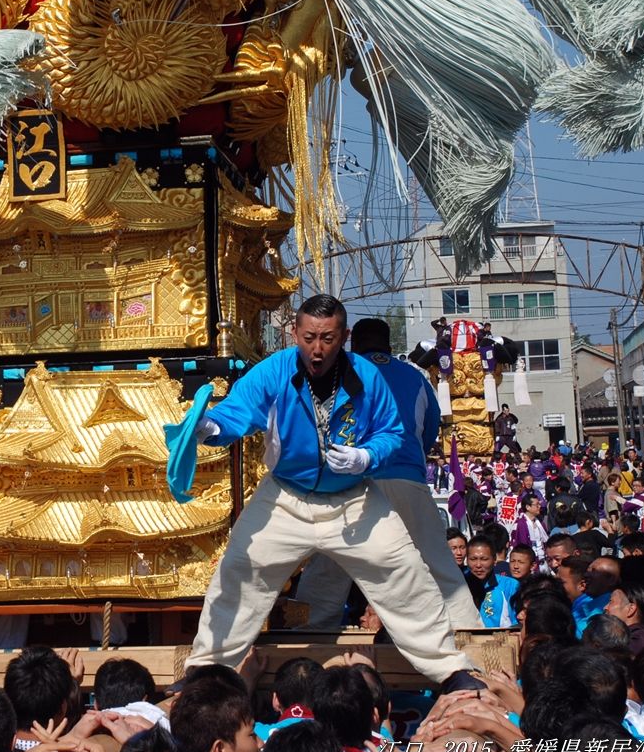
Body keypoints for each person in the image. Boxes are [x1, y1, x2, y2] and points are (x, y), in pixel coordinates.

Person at [176, 295, 478, 689]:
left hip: (355, 496)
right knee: (239, 568)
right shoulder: (274, 371)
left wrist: (365, 457)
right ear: (294, 333)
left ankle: (449, 669)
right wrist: (212, 428)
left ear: (345, 337)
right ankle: (205, 669)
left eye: (328, 339)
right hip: (285, 495)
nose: (317, 349)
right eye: (309, 337)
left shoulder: (368, 376)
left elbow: (393, 433)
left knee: (403, 570)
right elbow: (239, 408)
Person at [299, 318, 481, 631]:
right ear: (389, 346)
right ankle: (469, 629)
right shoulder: (417, 378)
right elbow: (427, 433)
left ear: (350, 342)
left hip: (350, 481)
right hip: (407, 477)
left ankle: (310, 632)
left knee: (329, 566)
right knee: (436, 561)